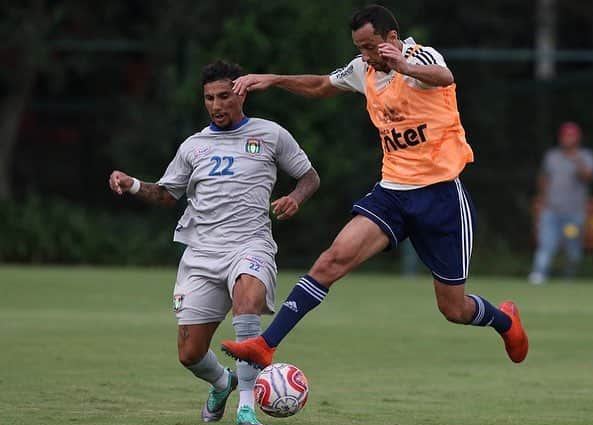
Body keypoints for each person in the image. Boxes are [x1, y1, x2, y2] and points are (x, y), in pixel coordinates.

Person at [220, 4, 528, 370]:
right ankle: (265, 346)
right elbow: (321, 85)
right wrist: (273, 79)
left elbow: (444, 76)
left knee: (454, 308)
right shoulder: (362, 69)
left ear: (392, 39)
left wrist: (405, 66)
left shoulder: (419, 57)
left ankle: (505, 321)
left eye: (369, 46)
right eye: (359, 48)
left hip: (441, 196)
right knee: (331, 260)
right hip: (392, 193)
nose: (364, 55)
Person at [108, 60, 320, 425]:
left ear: (241, 93)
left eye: (224, 96)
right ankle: (224, 383)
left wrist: (296, 198)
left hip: (250, 244)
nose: (217, 105)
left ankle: (247, 407)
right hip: (202, 253)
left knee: (247, 301)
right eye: (209, 98)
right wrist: (134, 185)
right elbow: (167, 194)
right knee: (189, 354)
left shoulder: (271, 135)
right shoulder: (193, 146)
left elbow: (309, 176)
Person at [528, 121, 593, 284]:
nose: (568, 139)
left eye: (571, 136)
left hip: (574, 213)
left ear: (578, 138)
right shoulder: (552, 156)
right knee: (546, 245)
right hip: (551, 211)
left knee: (572, 249)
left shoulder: (586, 156)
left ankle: (569, 277)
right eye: (565, 136)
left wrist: (576, 159)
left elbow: (588, 177)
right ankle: (539, 274)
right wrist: (541, 204)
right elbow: (544, 180)